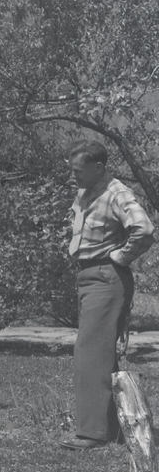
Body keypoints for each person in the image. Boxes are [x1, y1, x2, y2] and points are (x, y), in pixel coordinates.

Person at [61, 141, 155, 450]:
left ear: (99, 167)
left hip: (106, 276)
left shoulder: (117, 193)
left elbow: (144, 230)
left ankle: (91, 433)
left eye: (79, 170)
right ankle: (116, 427)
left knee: (89, 353)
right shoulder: (85, 193)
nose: (74, 176)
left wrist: (121, 257)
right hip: (88, 276)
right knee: (102, 354)